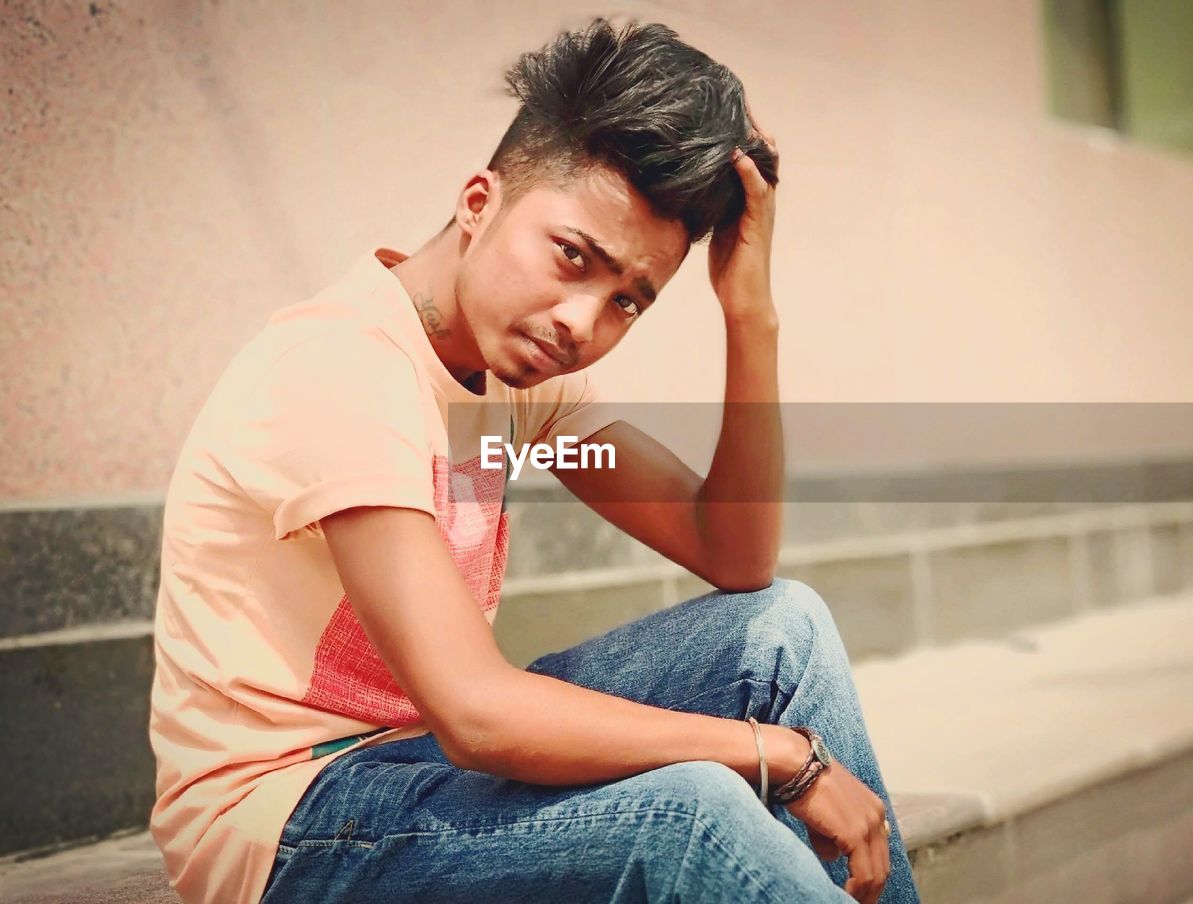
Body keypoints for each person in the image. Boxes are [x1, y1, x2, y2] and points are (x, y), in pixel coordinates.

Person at [148, 16, 921, 904]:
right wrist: (775, 755)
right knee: (692, 810)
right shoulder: (343, 370)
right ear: (479, 203)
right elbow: (478, 713)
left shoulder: (517, 381)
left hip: (417, 756)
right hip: (290, 819)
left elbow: (734, 554)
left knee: (783, 629)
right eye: (571, 257)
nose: (581, 322)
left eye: (628, 301)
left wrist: (750, 313)